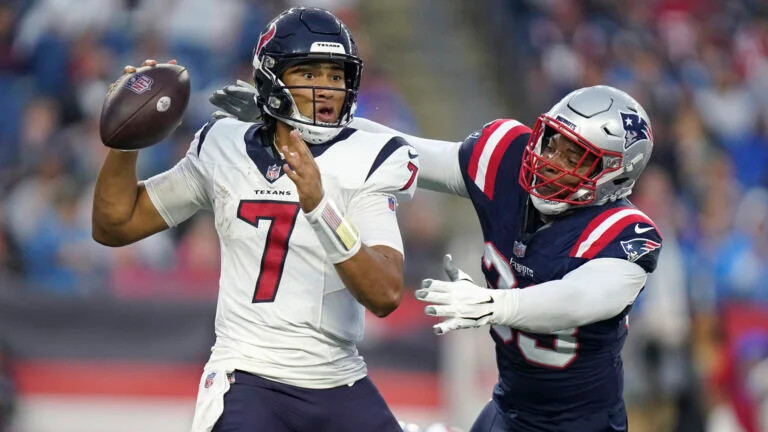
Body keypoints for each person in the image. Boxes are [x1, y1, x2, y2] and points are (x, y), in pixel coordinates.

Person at [213, 83, 662, 431]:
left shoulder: (626, 235)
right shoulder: (507, 159)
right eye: (553, 143)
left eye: (577, 157)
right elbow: (404, 150)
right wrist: (290, 120)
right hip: (508, 410)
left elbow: (578, 299)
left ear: (613, 176)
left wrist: (496, 305)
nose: (552, 162)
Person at [92, 7, 418, 432]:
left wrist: (321, 208)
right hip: (248, 375)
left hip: (339, 377)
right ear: (272, 78)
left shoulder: (368, 158)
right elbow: (115, 225)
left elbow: (386, 293)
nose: (328, 90)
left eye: (336, 76)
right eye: (310, 74)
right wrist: (127, 140)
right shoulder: (223, 144)